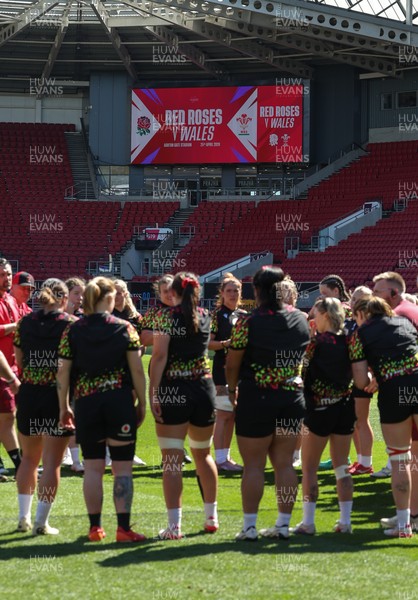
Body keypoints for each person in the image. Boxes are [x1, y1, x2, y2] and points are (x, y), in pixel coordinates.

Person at [57, 277, 147, 542]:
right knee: (122, 468)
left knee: (93, 468)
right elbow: (137, 371)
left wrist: (64, 407)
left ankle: (95, 527)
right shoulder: (125, 328)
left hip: (86, 404)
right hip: (119, 404)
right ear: (109, 299)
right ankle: (123, 528)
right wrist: (141, 402)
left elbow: (62, 373)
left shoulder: (72, 330)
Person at [226, 266, 310, 541]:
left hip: (256, 398)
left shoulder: (248, 322)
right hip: (290, 398)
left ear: (258, 291)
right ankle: (283, 525)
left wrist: (231, 389)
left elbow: (233, 363)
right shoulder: (301, 318)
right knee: (284, 464)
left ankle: (249, 527)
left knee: (253, 465)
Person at [149, 272, 218, 539]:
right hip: (203, 388)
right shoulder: (206, 315)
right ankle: (211, 517)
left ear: (174, 292)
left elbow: (159, 356)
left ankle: (174, 527)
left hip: (174, 389)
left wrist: (153, 393)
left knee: (172, 461)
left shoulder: (165, 317)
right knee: (203, 455)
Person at [350, 296, 418, 537]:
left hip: (394, 390)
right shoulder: (405, 322)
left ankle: (404, 524)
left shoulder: (361, 333)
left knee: (400, 459)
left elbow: (360, 381)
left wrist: (375, 379)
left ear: (361, 314)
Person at [14, 279, 75, 534]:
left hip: (29, 393)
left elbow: (19, 359)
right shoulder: (70, 324)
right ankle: (41, 522)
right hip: (55, 397)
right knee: (52, 464)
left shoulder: (25, 322)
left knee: (28, 459)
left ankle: (23, 517)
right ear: (63, 299)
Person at [292, 298, 356, 535]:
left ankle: (308, 522)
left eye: (315, 315)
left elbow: (302, 372)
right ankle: (345, 521)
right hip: (344, 406)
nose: (312, 319)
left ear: (326, 315)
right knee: (342, 467)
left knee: (309, 468)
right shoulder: (350, 339)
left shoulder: (315, 342)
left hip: (319, 408)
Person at [141, 274, 192, 466]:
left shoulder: (188, 312)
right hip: (163, 368)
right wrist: (166, 335)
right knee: (165, 413)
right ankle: (168, 455)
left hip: (187, 370)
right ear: (159, 293)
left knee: (186, 413)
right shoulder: (155, 313)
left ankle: (180, 449)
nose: (169, 295)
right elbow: (144, 338)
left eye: (172, 290)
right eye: (165, 291)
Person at [371, 272, 418, 479]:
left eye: (377, 292)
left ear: (394, 292)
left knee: (405, 449)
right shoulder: (411, 310)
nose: (373, 296)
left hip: (404, 384)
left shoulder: (398, 315)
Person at [208, 273, 244, 472]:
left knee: (231, 415)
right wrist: (226, 344)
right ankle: (220, 459)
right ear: (221, 293)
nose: (233, 293)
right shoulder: (215, 316)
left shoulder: (243, 315)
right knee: (223, 414)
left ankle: (225, 457)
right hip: (222, 372)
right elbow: (207, 343)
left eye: (236, 290)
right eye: (229, 290)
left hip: (241, 373)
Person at [316, 274, 352, 470]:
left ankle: (351, 458)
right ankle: (343, 458)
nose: (321, 297)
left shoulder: (343, 310)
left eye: (324, 293)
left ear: (336, 291)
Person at [110, 278, 146, 467]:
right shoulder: (108, 316)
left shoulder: (135, 318)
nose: (117, 295)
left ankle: (129, 449)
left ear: (126, 293)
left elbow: (143, 342)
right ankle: (110, 450)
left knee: (129, 412)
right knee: (112, 411)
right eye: (113, 292)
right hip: (112, 371)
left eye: (120, 291)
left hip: (132, 371)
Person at [346, 286, 376, 476]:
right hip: (348, 377)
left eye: (359, 299)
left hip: (363, 377)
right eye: (353, 298)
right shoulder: (351, 322)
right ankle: (360, 460)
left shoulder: (370, 324)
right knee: (355, 421)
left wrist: (373, 373)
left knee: (361, 420)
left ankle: (367, 462)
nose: (354, 301)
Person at [61, 277, 86, 473]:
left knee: (74, 414)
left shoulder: (83, 319)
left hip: (77, 374)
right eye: (76, 293)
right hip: (56, 374)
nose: (80, 298)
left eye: (82, 294)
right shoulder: (55, 318)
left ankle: (74, 457)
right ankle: (62, 454)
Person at [0, 258, 22, 474]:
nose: (5, 279)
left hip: (11, 367)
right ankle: (19, 464)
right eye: (1, 275)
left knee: (7, 416)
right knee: (8, 416)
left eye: (7, 274)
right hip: (3, 371)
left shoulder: (11, 300)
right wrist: (14, 326)